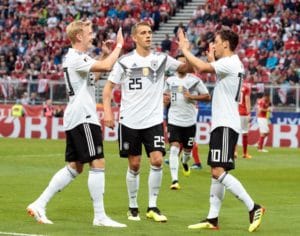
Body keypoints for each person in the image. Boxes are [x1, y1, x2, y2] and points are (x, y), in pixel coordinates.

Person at [26, 19, 127, 228]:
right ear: (79, 36)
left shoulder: (77, 58)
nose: (92, 35)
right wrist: (118, 46)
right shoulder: (76, 58)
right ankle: (99, 216)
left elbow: (96, 76)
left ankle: (39, 203)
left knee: (75, 167)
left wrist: (106, 54)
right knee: (98, 161)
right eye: (89, 32)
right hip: (84, 117)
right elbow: (107, 67)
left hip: (76, 115)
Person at [178, 27, 265, 232]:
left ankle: (254, 207)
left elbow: (200, 67)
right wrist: (211, 59)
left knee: (218, 171)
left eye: (216, 41)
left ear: (225, 43)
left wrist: (185, 49)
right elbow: (209, 68)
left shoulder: (230, 62)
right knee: (216, 172)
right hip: (223, 124)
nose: (214, 45)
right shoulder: (230, 64)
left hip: (226, 124)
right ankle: (212, 218)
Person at [103, 22, 189, 223]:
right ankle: (133, 206)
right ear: (134, 38)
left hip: (153, 121)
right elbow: (107, 90)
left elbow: (187, 67)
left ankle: (152, 206)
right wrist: (107, 113)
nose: (148, 36)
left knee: (157, 160)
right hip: (129, 121)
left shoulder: (161, 59)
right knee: (134, 165)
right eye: (143, 33)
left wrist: (185, 49)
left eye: (150, 32)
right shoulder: (124, 62)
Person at [164, 54, 210, 190]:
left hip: (189, 122)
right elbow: (164, 95)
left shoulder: (194, 81)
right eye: (179, 63)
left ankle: (184, 162)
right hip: (173, 120)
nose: (181, 65)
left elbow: (207, 96)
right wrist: (164, 100)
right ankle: (174, 180)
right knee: (173, 148)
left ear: (188, 65)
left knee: (187, 153)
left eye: (184, 63)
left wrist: (192, 97)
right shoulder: (170, 80)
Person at [236, 81, 252, 159]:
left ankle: (234, 152)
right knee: (244, 133)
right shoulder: (246, 87)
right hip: (243, 113)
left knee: (235, 132)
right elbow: (247, 100)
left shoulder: (234, 86)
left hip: (235, 112)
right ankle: (245, 153)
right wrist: (249, 113)